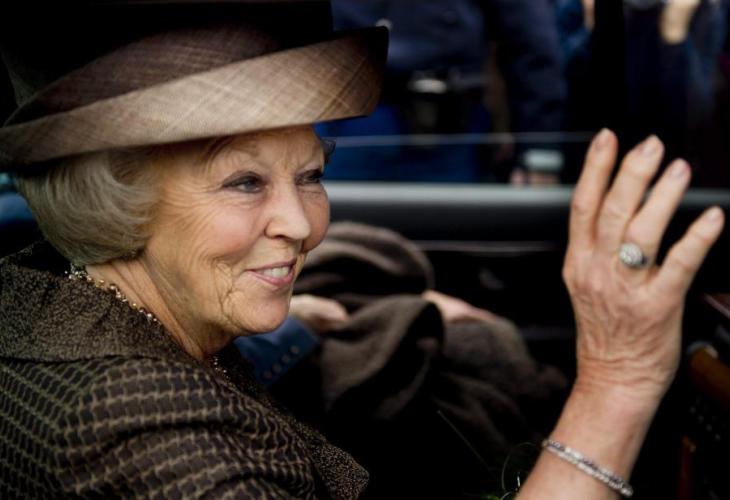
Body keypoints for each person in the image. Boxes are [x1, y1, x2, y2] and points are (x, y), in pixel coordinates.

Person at [0, 2, 724, 500]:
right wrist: (618, 380)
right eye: (245, 182)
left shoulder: (47, 301)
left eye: (311, 175)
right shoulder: (144, 436)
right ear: (116, 200)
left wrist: (304, 325)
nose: (302, 223)